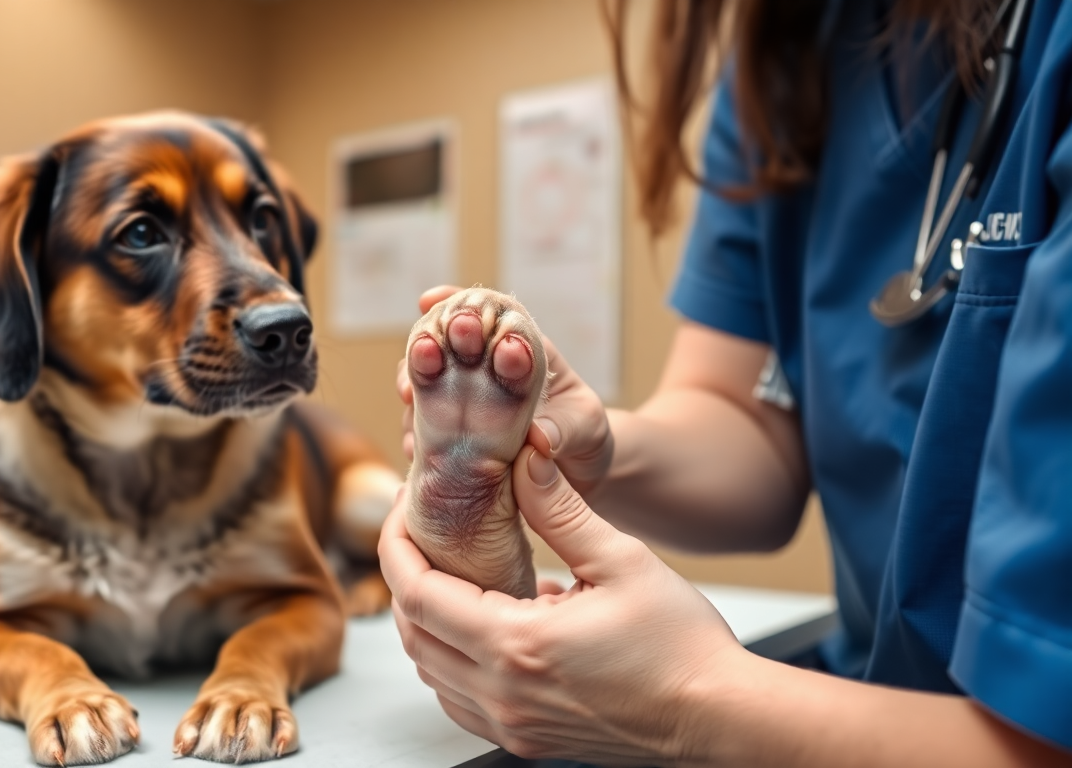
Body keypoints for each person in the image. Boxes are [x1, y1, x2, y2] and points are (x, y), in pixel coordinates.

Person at [378, 0, 1072, 765]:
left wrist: (689, 697)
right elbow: (740, 416)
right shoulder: (788, 48)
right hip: (854, 688)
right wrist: (587, 447)